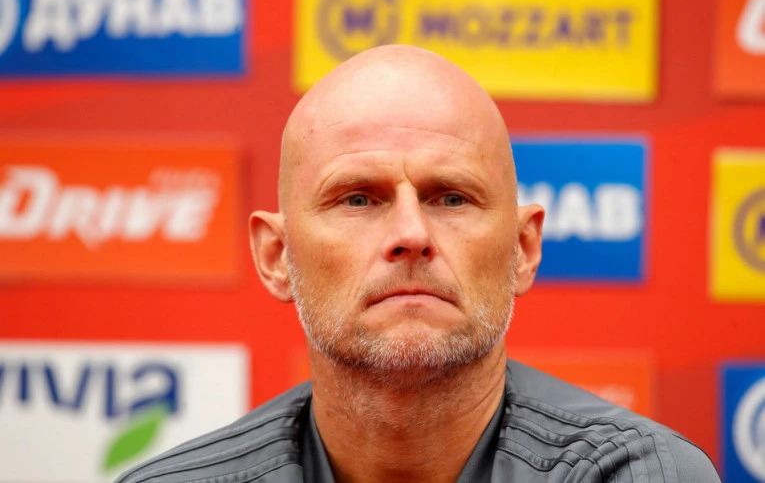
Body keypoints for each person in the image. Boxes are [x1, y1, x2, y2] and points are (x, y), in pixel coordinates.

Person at [115, 45, 721, 482]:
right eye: (358, 199)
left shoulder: (637, 475)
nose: (411, 234)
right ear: (277, 256)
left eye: (451, 198)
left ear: (522, 249)